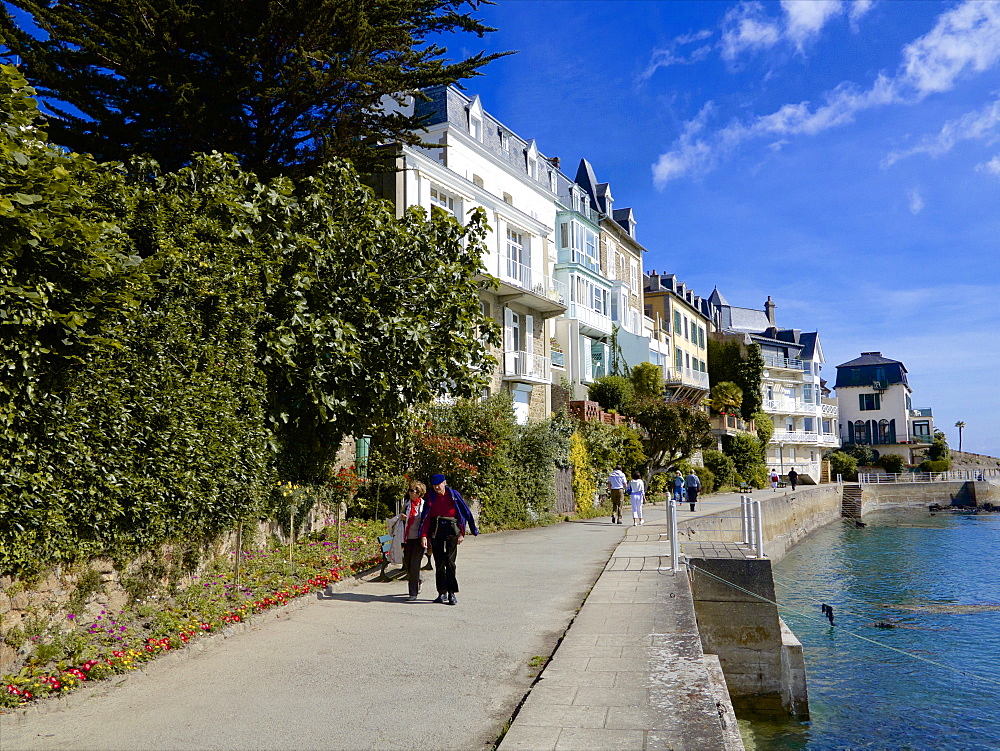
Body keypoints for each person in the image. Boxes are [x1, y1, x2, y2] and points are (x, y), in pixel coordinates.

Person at [419, 474, 478, 605]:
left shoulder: (454, 495)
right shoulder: (431, 496)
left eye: (439, 485)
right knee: (439, 562)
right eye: (434, 486)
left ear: (444, 482)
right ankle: (441, 593)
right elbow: (426, 517)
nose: (437, 487)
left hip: (451, 530)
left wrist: (463, 533)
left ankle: (451, 593)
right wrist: (423, 535)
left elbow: (464, 513)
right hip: (436, 529)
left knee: (450, 562)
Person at [400, 482, 427, 601]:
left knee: (415, 565)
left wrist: (425, 537)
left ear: (419, 493)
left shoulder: (423, 506)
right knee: (408, 564)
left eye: (413, 491)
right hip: (407, 538)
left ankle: (413, 593)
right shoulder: (407, 504)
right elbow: (400, 518)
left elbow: (426, 521)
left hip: (419, 539)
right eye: (410, 491)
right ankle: (419, 579)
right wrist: (403, 518)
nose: (410, 493)